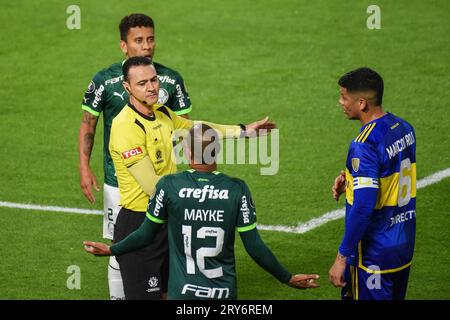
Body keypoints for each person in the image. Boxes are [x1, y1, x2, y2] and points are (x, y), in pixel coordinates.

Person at [103, 55, 277, 300]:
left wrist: (243, 131)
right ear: (127, 87)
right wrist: (197, 195)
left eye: (154, 80)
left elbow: (197, 128)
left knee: (171, 295)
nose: (152, 87)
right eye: (142, 83)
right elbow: (152, 186)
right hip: (140, 224)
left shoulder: (162, 112)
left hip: (168, 220)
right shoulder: (125, 127)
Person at [84, 123, 320, 299]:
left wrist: (111, 249)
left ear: (187, 152)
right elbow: (254, 247)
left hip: (183, 294)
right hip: (222, 294)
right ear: (216, 151)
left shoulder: (169, 186)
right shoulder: (236, 189)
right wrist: (286, 277)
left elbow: (145, 234)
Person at [78, 13, 192, 300]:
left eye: (150, 39)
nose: (146, 46)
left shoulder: (169, 79)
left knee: (162, 249)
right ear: (123, 46)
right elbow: (88, 124)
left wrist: (192, 173)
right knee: (119, 249)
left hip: (161, 182)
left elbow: (187, 130)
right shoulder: (105, 81)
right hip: (119, 182)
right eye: (138, 40)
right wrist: (84, 167)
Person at [328, 67, 416, 300]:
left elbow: (363, 206)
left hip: (373, 255)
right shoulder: (404, 128)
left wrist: (342, 257)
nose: (340, 102)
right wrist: (351, 177)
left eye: (344, 97)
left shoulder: (364, 144)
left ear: (362, 103)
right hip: (402, 245)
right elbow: (391, 172)